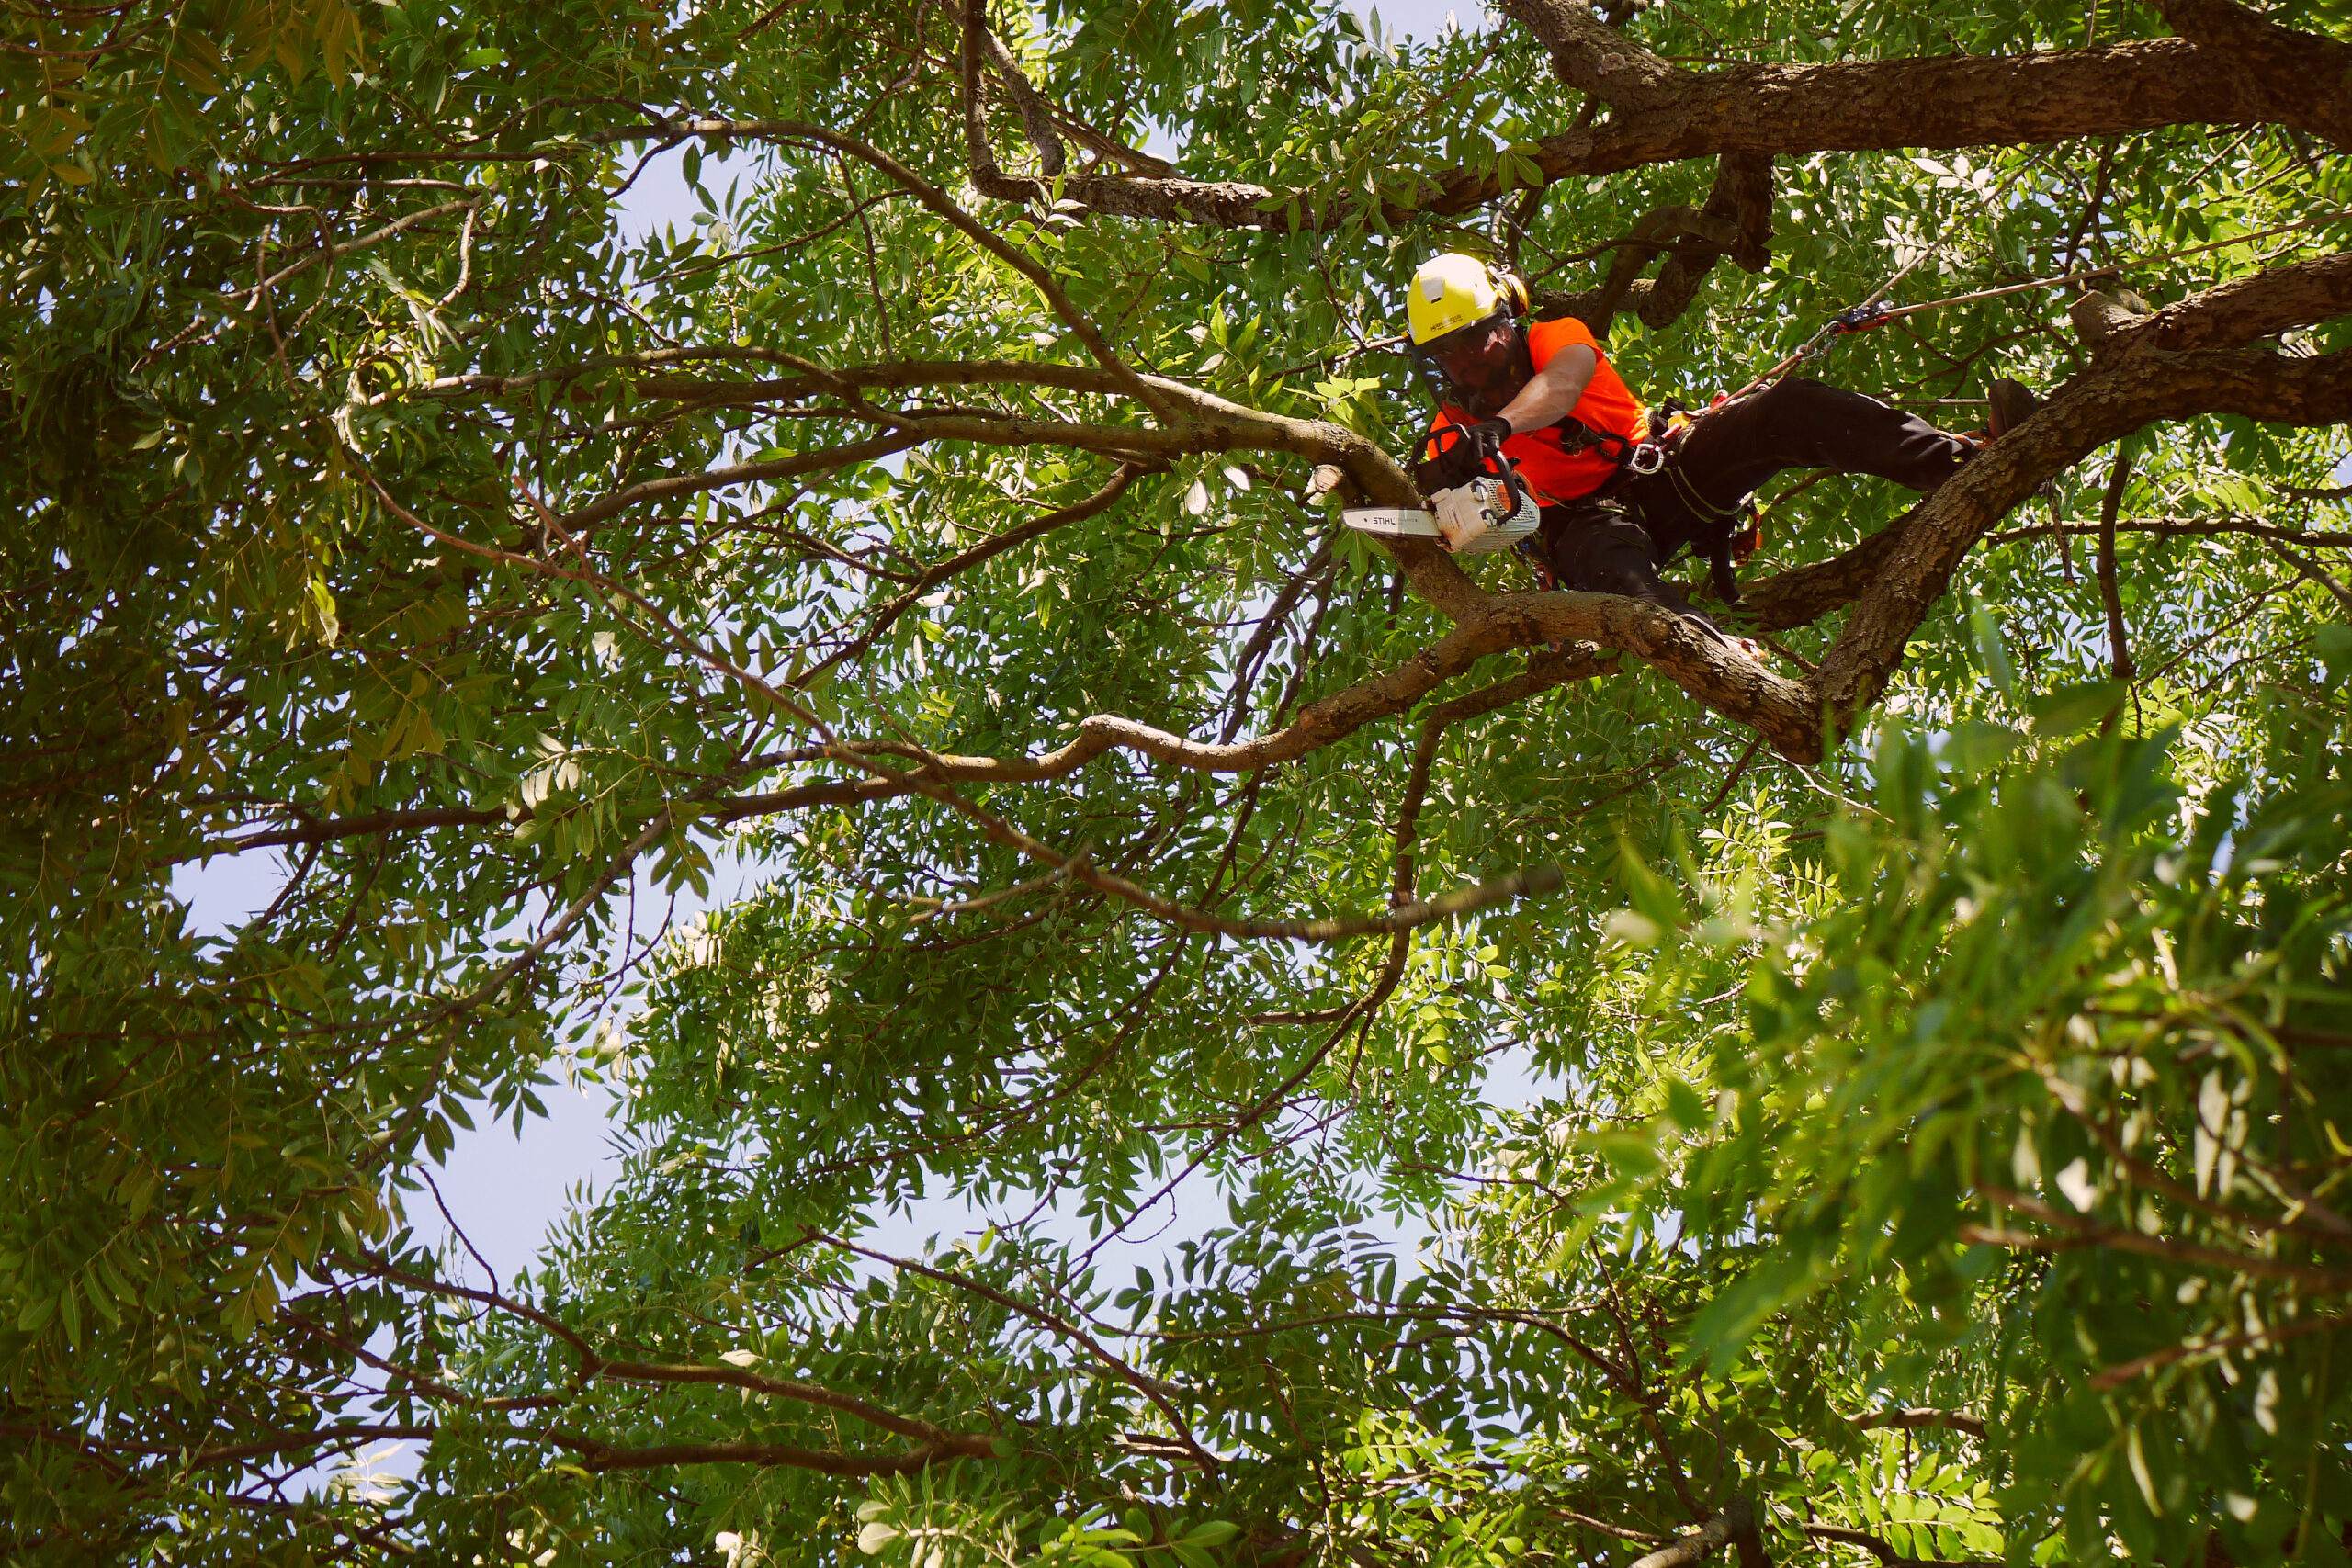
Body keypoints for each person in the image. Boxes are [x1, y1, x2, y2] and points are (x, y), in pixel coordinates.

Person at [1403, 252, 2035, 631]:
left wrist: (1499, 429)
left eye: (1473, 339)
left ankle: (1966, 462)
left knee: (1788, 409)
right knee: (1615, 576)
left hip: (1666, 469)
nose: (1466, 362)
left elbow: (1562, 387)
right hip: (1590, 528)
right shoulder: (1451, 427)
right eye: (1447, 353)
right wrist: (1442, 489)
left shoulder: (1555, 336)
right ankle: (1717, 654)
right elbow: (1434, 510)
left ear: (1507, 317)